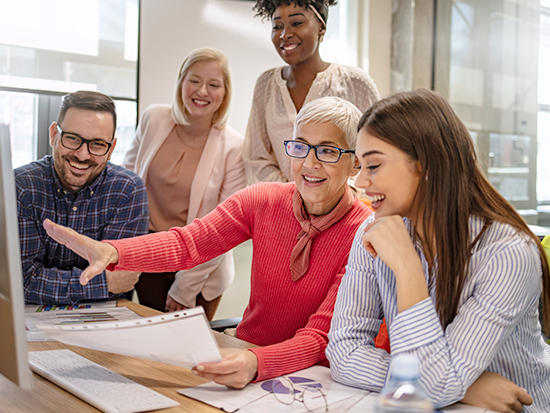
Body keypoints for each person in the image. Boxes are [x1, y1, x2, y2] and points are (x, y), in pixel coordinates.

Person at [43, 97, 377, 388]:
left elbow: (320, 337)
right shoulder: (262, 200)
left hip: (311, 379)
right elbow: (188, 244)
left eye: (328, 151)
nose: (310, 163)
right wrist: (114, 251)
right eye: (301, 146)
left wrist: (257, 363)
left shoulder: (364, 233)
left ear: (355, 162)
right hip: (244, 357)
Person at [326, 89, 550, 412]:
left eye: (373, 165)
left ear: (426, 165)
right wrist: (465, 386)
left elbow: (434, 385)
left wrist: (406, 267)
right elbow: (343, 353)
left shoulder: (508, 254)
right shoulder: (374, 232)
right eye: (359, 166)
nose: (359, 181)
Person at [122, 48, 246, 319]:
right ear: (181, 81)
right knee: (148, 351)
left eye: (213, 85)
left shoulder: (235, 147)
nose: (202, 91)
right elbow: (125, 185)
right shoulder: (153, 118)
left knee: (187, 355)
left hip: (202, 270)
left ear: (225, 93)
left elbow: (224, 228)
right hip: (149, 258)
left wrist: (185, 288)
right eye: (194, 80)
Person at [15, 91, 149, 305]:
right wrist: (103, 283)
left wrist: (50, 282)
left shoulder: (128, 190)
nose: (82, 155)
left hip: (102, 322)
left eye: (97, 144)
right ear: (53, 135)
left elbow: (123, 281)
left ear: (111, 148)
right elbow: (21, 281)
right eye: (72, 138)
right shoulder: (21, 187)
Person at [243, 0, 380, 184]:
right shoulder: (266, 85)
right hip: (281, 206)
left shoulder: (355, 83)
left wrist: (331, 198)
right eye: (277, 26)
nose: (285, 34)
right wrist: (293, 197)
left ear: (321, 28)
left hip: (345, 207)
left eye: (297, 23)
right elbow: (256, 158)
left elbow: (374, 154)